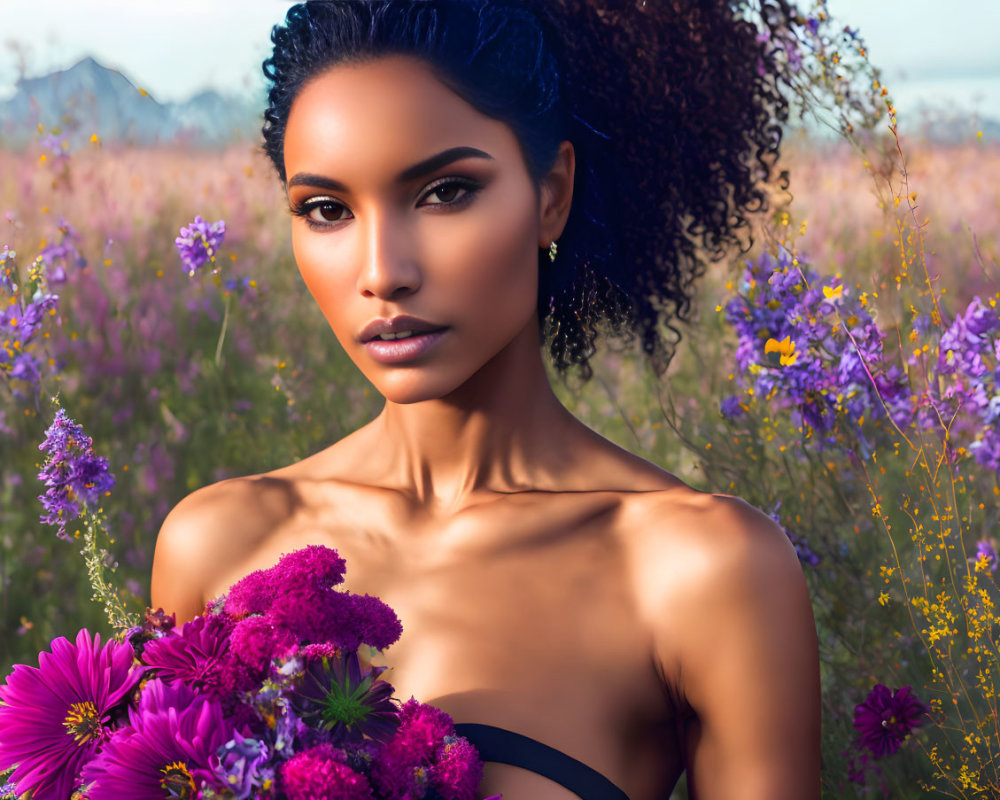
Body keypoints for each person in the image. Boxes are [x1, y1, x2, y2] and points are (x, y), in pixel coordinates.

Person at [151, 1, 820, 797]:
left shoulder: (697, 569)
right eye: (326, 210)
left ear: (551, 196)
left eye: (444, 192)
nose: (382, 270)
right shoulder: (216, 548)